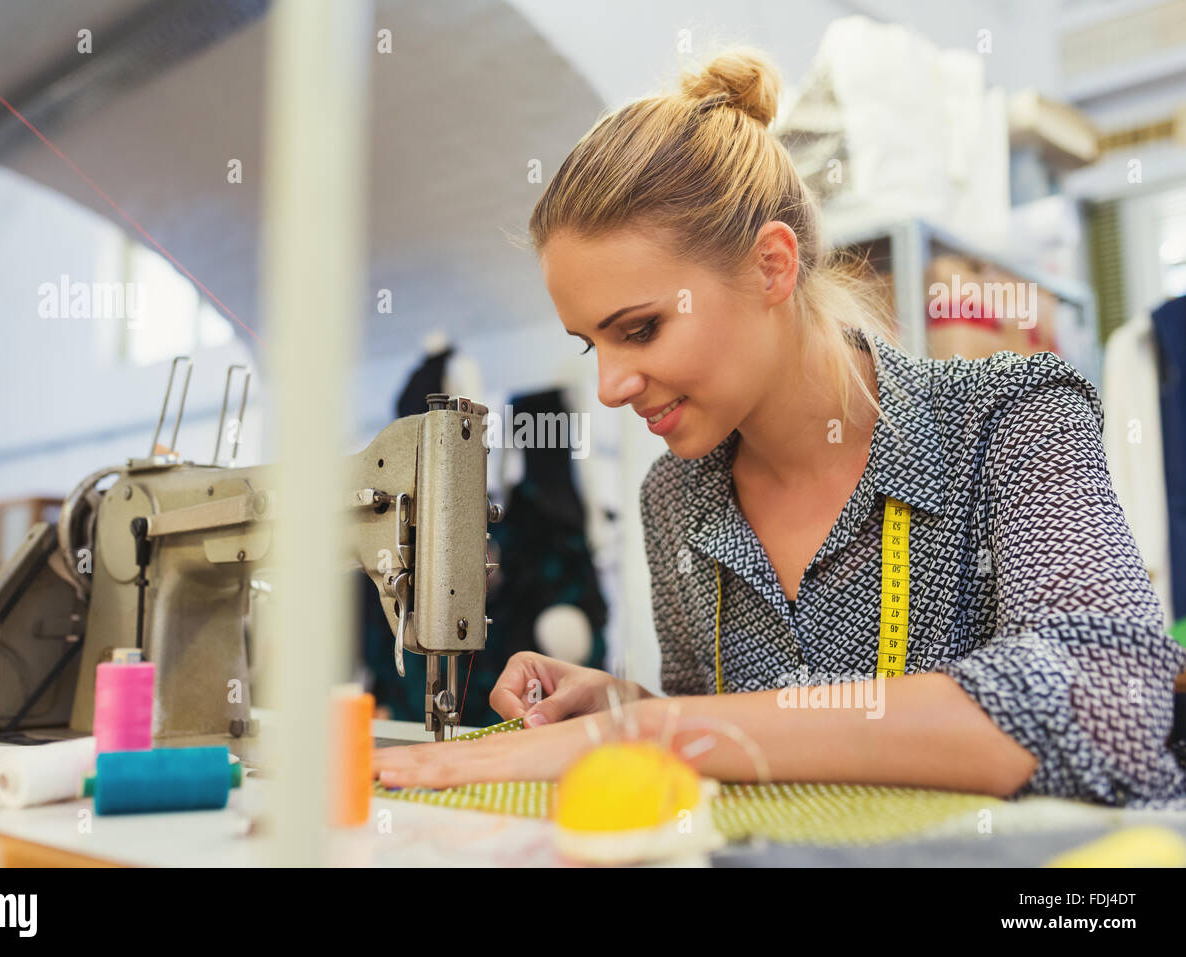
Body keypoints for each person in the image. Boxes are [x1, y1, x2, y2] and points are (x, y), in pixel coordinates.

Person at [373, 47, 1186, 807]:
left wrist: (649, 730)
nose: (611, 387)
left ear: (772, 264)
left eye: (642, 328)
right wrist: (629, 705)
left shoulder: (1012, 418)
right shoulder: (676, 499)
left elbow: (1111, 706)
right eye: (592, 344)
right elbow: (744, 753)